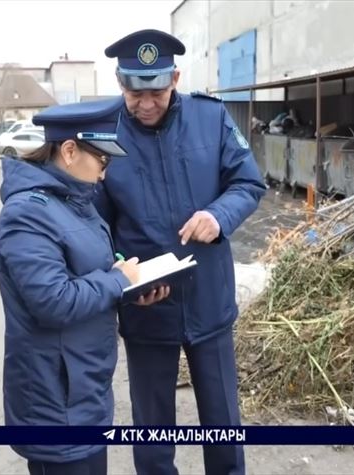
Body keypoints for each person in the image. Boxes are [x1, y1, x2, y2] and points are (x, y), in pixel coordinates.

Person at [96, 30, 267, 475]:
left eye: (156, 90)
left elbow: (248, 183)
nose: (146, 103)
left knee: (223, 425)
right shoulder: (102, 131)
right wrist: (117, 271)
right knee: (153, 434)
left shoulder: (210, 119)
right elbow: (92, 222)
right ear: (120, 82)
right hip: (147, 307)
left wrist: (218, 216)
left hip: (209, 300)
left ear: (175, 77)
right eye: (135, 92)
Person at [0, 98, 170, 475]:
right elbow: (53, 300)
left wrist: (128, 287)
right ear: (70, 151)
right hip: (54, 399)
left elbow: (90, 275)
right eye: (102, 162)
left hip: (85, 391)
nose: (104, 174)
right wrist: (116, 280)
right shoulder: (27, 213)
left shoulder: (77, 202)